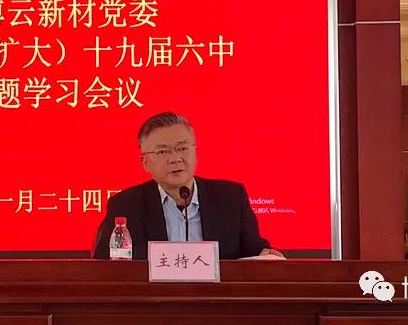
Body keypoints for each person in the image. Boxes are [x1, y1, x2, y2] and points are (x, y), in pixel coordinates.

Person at [92, 111, 284, 260]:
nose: (175, 158)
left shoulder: (231, 198)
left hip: (217, 299)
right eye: (162, 152)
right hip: (153, 299)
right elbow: (104, 265)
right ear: (145, 163)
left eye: (183, 148)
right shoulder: (126, 205)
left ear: (196, 152)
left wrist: (267, 255)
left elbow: (253, 251)